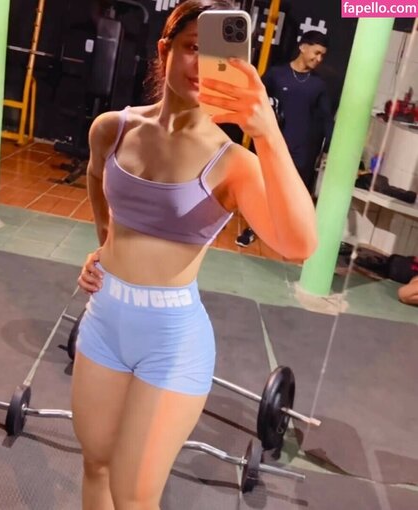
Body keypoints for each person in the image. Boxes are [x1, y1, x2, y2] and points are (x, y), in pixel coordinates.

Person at [71, 1, 317, 509]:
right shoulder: (112, 128)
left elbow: (299, 245)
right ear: (165, 50)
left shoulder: (232, 163)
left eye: (217, 56)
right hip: (104, 320)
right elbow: (97, 176)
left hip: (171, 339)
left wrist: (267, 132)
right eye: (192, 48)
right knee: (95, 465)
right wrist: (104, 246)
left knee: (133, 495)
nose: (203, 66)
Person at [236, 29, 333, 247]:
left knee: (290, 196)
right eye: (316, 53)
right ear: (303, 47)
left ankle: (282, 235)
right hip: (273, 143)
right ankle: (254, 228)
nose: (319, 59)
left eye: (322, 56)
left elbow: (327, 118)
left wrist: (331, 148)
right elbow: (254, 97)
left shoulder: (318, 85)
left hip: (302, 150)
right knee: (263, 188)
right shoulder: (276, 74)